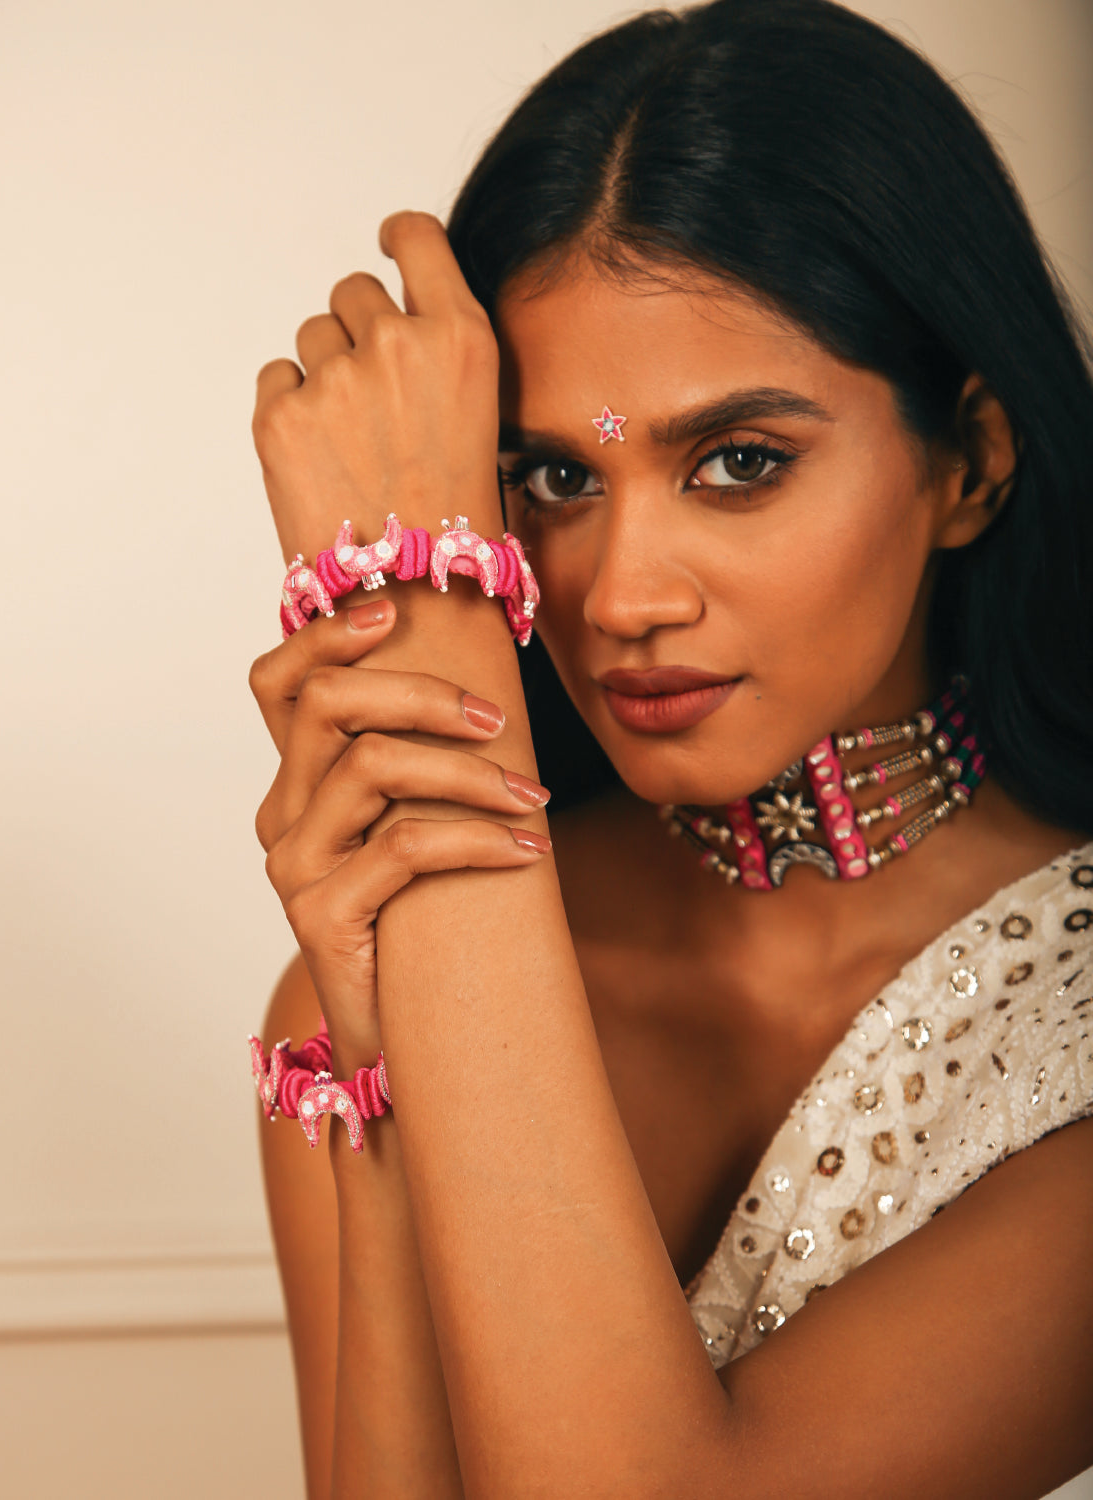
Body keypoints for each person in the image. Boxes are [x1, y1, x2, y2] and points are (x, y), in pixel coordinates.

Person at [246, 1, 1093, 1494]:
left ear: (970, 460)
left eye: (741, 462)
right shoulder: (368, 973)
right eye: (550, 480)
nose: (624, 595)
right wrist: (386, 1090)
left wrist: (433, 620)